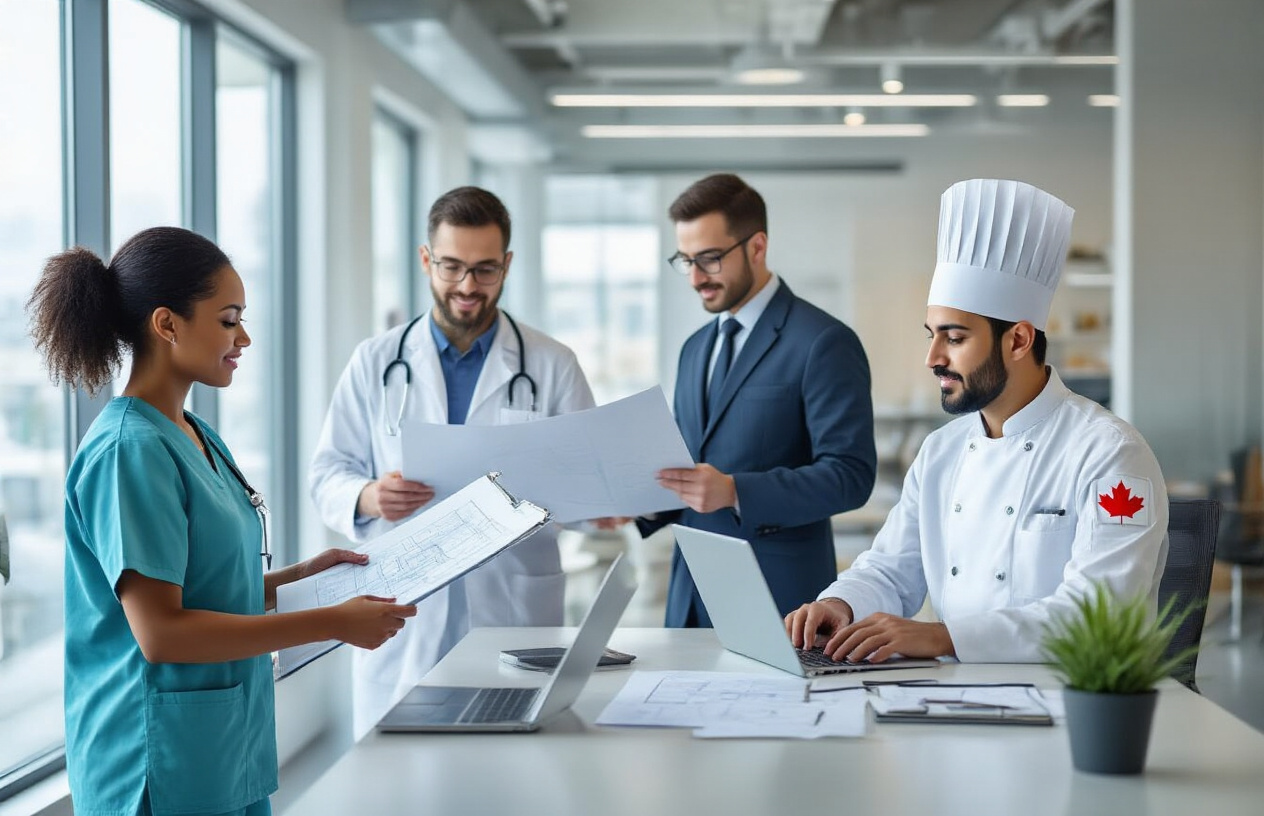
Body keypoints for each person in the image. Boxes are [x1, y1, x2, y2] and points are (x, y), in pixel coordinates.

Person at [26, 227, 416, 816]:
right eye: (229, 320)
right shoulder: (128, 450)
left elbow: (197, 587)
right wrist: (329, 622)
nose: (245, 338)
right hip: (153, 764)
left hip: (218, 747)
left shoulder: (194, 433)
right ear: (167, 324)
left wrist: (300, 577)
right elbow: (163, 633)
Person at [785, 179, 1169, 663]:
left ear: (1018, 340)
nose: (932, 358)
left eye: (955, 337)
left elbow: (1103, 615)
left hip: (1067, 704)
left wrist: (945, 638)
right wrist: (839, 603)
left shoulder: (1110, 453)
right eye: (932, 335)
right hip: (954, 695)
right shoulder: (941, 451)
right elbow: (890, 568)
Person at [309, 186, 597, 735]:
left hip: (513, 601)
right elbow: (327, 472)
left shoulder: (553, 364)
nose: (468, 286)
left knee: (511, 778)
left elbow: (586, 487)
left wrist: (602, 501)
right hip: (403, 605)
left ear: (507, 265)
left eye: (485, 270)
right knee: (399, 784)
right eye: (452, 267)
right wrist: (367, 495)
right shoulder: (375, 362)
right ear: (426, 260)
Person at [642, 173, 877, 627]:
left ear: (757, 246)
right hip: (691, 599)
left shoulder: (823, 341)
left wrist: (735, 491)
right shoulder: (694, 349)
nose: (695, 278)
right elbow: (692, 465)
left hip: (779, 600)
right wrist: (636, 505)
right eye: (685, 260)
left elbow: (851, 475)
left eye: (709, 259)